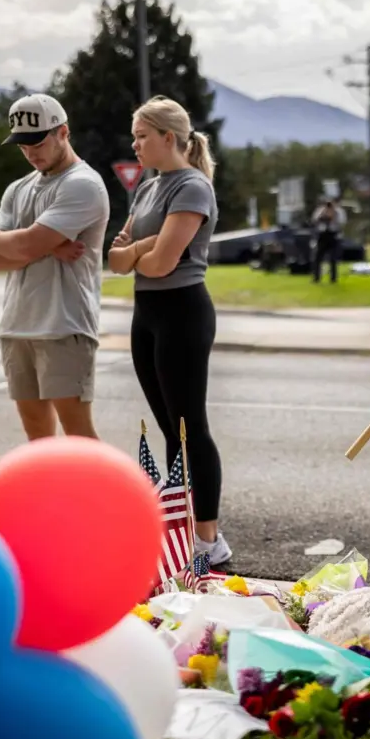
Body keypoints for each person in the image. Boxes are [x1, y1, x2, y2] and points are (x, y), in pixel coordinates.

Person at [106, 95, 229, 566]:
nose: (135, 145)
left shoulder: (192, 187)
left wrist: (139, 250)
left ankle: (208, 539)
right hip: (147, 314)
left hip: (182, 312)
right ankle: (185, 528)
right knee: (169, 430)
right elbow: (116, 261)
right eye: (133, 137)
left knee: (189, 428)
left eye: (141, 136)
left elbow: (160, 264)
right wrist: (145, 247)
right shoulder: (148, 188)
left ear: (168, 137)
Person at [0, 93, 108, 442]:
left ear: (63, 132)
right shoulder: (17, 188)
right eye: (22, 146)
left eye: (37, 143)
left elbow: (22, 246)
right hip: (17, 323)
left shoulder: (83, 184)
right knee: (37, 437)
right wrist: (47, 247)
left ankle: (103, 483)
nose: (31, 153)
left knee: (78, 434)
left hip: (63, 323)